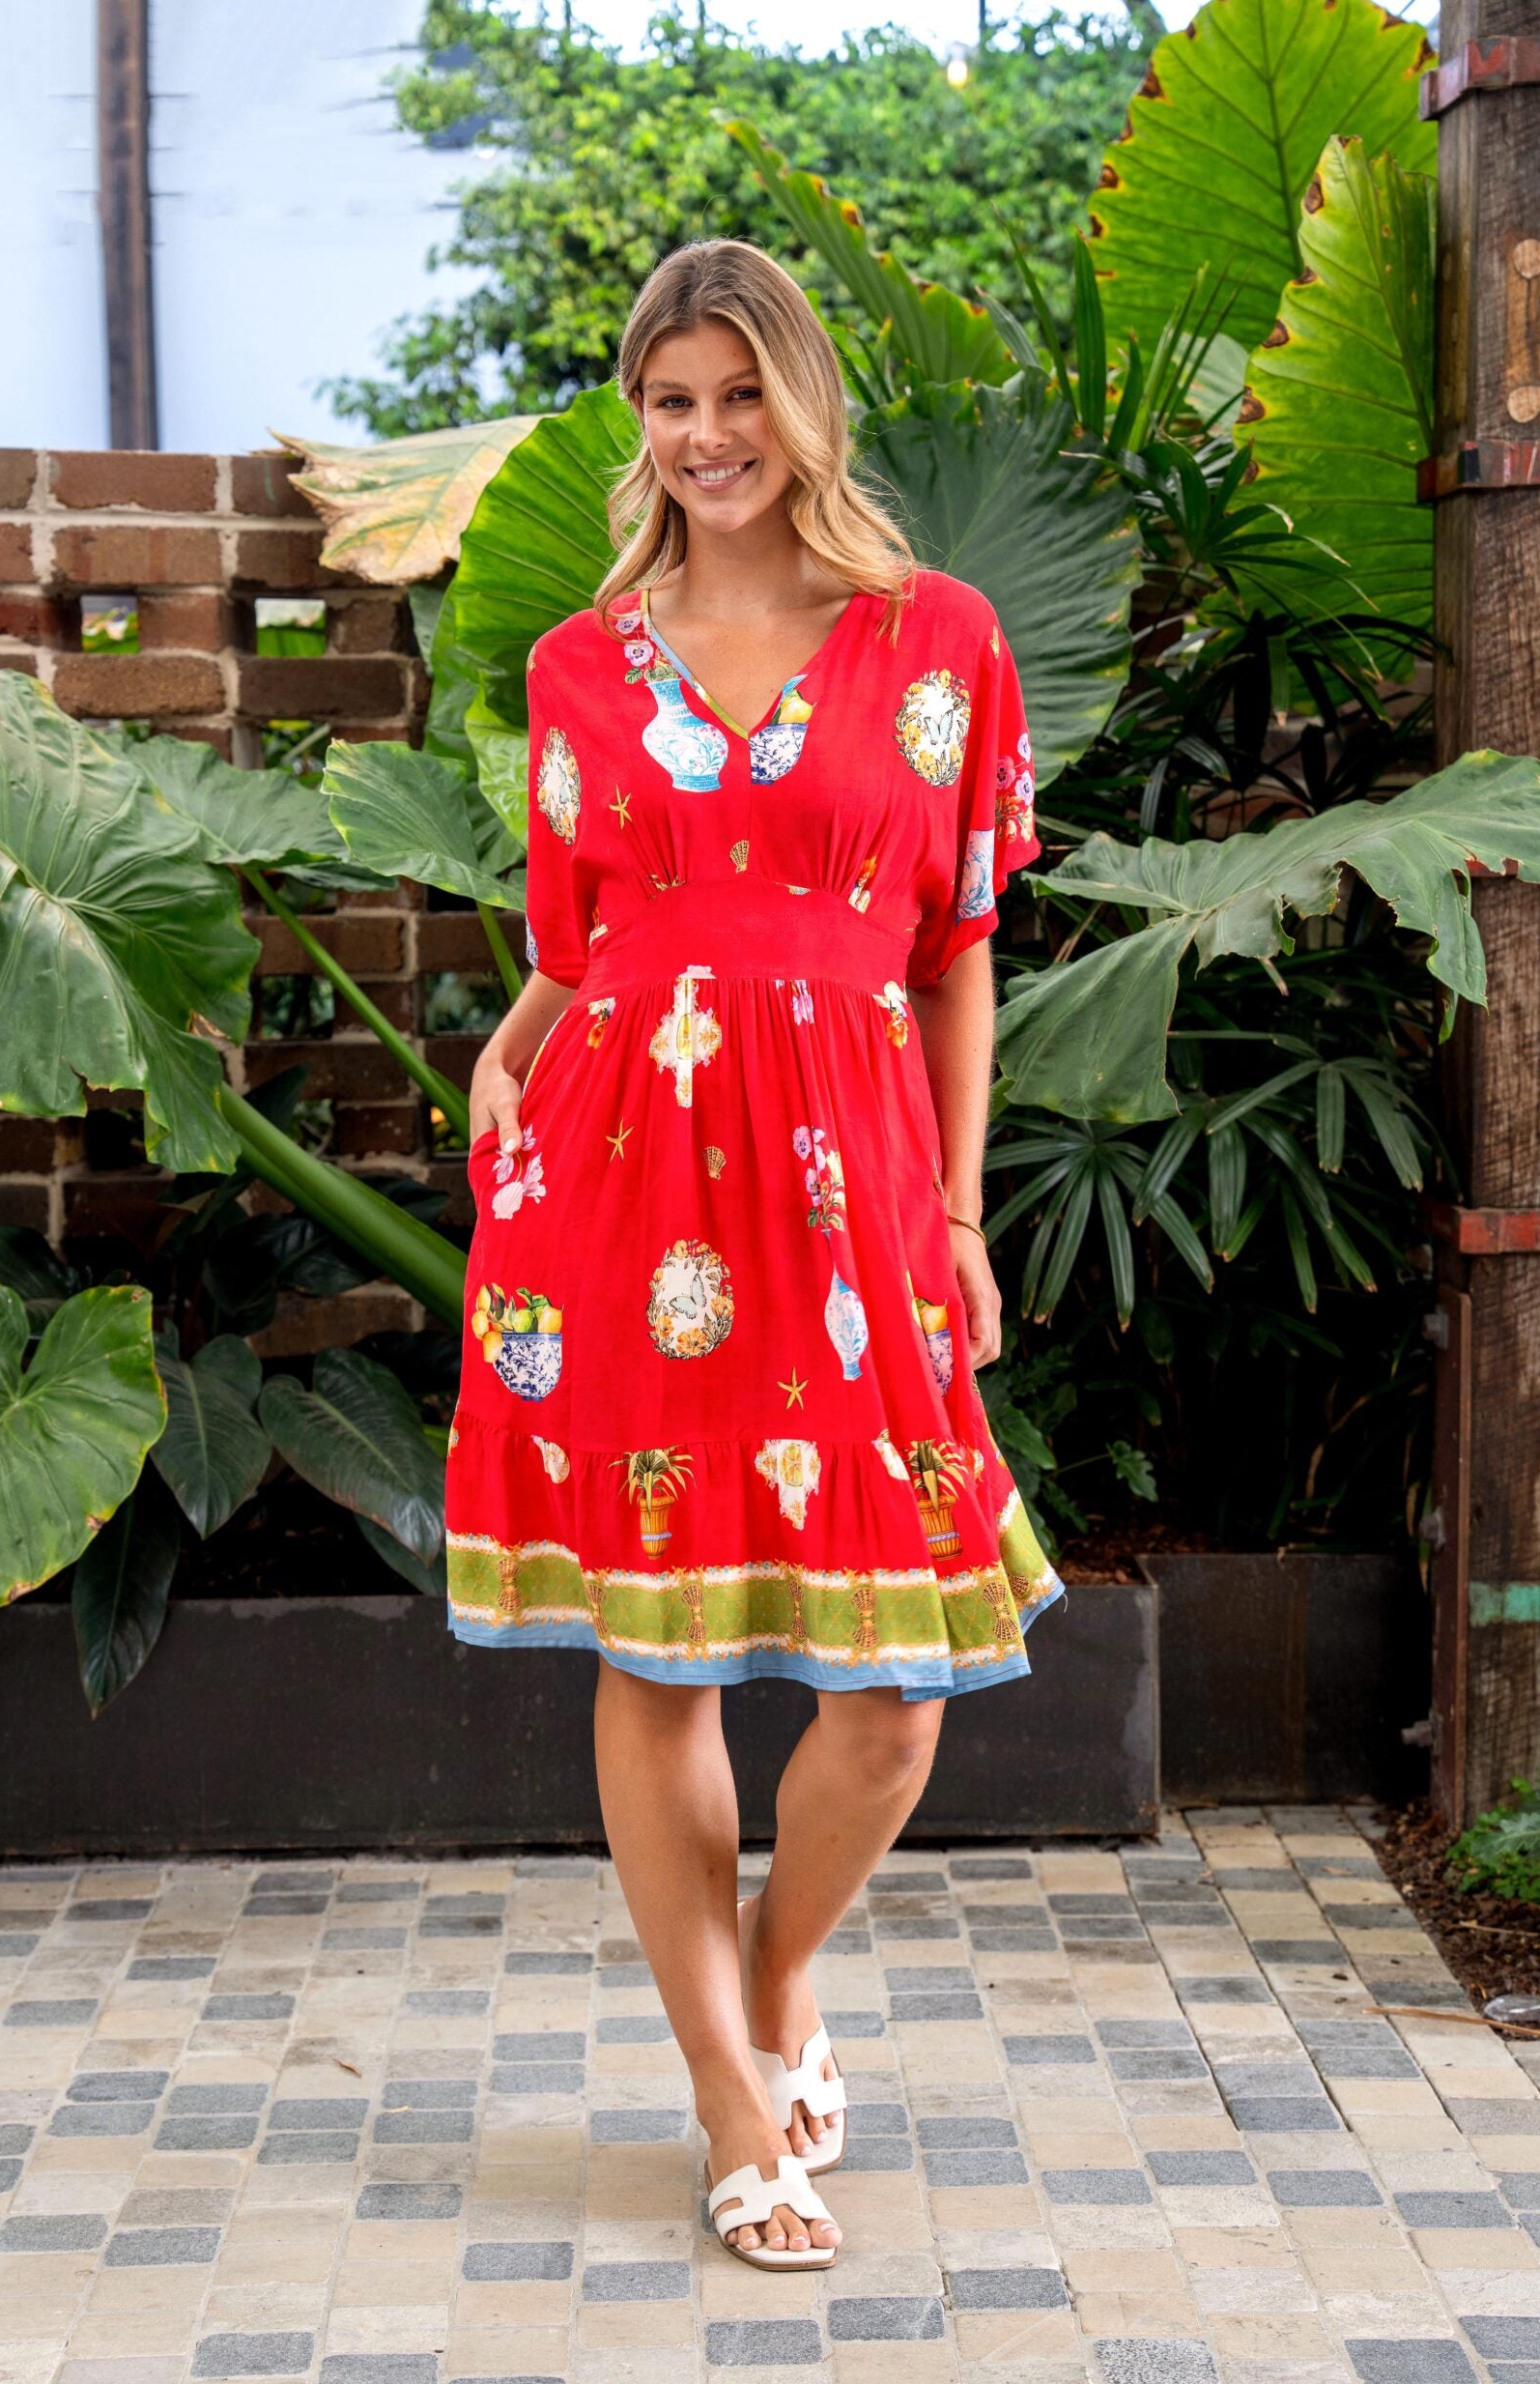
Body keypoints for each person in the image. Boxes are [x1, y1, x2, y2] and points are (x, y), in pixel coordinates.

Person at [449, 236, 1063, 2270]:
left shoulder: (937, 639)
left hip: (854, 1193)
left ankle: (779, 1975)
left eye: (737, 396)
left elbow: (956, 950)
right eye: (670, 402)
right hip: (614, 1181)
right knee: (656, 1649)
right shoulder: (578, 663)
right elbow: (585, 942)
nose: (706, 437)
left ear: (800, 403)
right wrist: (508, 1044)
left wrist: (957, 1215)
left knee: (892, 1702)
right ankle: (728, 2093)